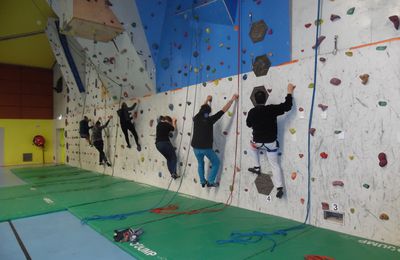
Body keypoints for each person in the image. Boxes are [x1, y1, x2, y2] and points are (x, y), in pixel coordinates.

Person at [246, 83, 296, 199]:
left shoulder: (252, 112)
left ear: (255, 100)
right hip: (270, 143)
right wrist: (289, 91)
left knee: (251, 145)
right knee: (275, 165)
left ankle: (257, 167)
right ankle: (279, 188)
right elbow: (287, 106)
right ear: (265, 99)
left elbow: (248, 124)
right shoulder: (272, 109)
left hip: (258, 142)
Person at [191, 94, 239, 188]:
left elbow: (202, 109)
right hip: (205, 148)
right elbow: (223, 110)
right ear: (208, 113)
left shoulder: (196, 118)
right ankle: (210, 182)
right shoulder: (210, 120)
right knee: (216, 162)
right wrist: (232, 99)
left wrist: (207, 99)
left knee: (200, 163)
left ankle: (202, 181)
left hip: (195, 147)